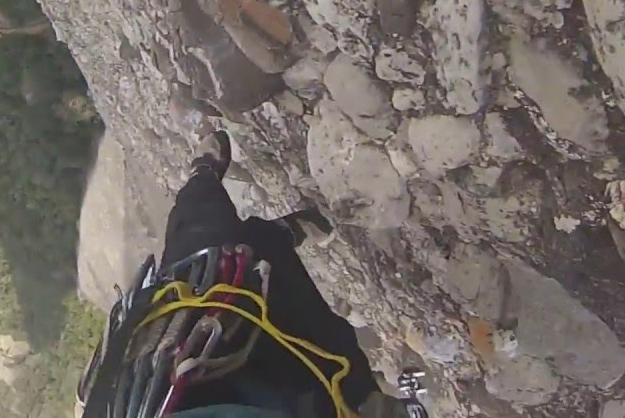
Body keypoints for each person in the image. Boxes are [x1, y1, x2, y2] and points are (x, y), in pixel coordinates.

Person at [77, 131, 427, 418]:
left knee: (203, 245)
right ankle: (274, 235)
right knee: (308, 321)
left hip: (174, 382)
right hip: (307, 397)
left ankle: (205, 176)